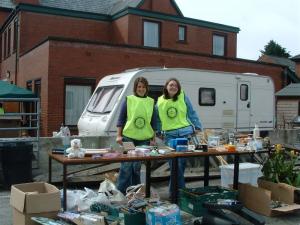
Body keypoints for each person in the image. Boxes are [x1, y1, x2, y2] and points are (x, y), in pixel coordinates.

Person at [156, 78, 202, 193]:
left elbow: (191, 112)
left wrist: (197, 126)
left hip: (185, 133)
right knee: (175, 164)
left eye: (176, 86)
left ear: (178, 88)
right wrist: (158, 132)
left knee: (180, 164)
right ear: (166, 87)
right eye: (171, 85)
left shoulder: (183, 96)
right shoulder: (160, 101)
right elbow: (157, 119)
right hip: (169, 135)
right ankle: (182, 192)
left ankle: (174, 194)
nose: (173, 87)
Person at [116, 77, 156, 194]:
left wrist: (153, 139)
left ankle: (135, 193)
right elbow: (121, 119)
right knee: (126, 167)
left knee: (136, 168)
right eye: (139, 86)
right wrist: (119, 135)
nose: (141, 89)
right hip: (128, 137)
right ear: (135, 88)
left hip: (144, 140)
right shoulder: (129, 99)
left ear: (146, 88)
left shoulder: (151, 101)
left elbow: (153, 122)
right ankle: (120, 193)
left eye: (143, 87)